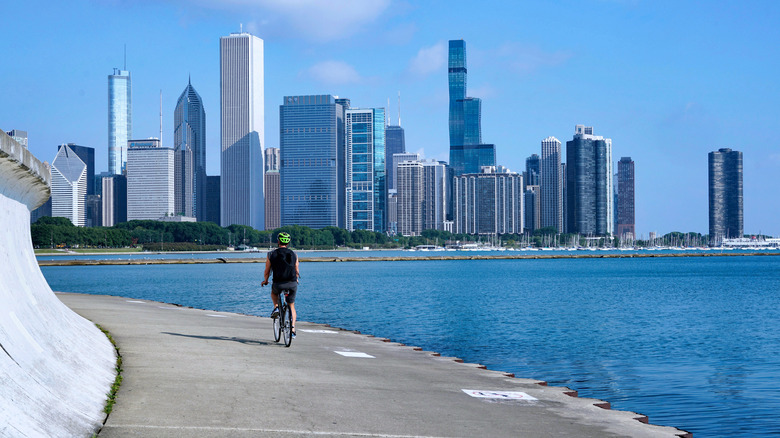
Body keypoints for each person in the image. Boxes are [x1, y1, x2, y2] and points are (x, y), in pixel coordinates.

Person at [261, 231, 300, 337]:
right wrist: (296, 279)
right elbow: (296, 269)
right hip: (292, 283)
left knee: (274, 294)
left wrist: (265, 280)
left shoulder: (271, 254)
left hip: (278, 283)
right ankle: (292, 329)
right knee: (291, 305)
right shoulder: (294, 254)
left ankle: (276, 307)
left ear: (278, 241)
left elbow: (267, 270)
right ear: (288, 243)